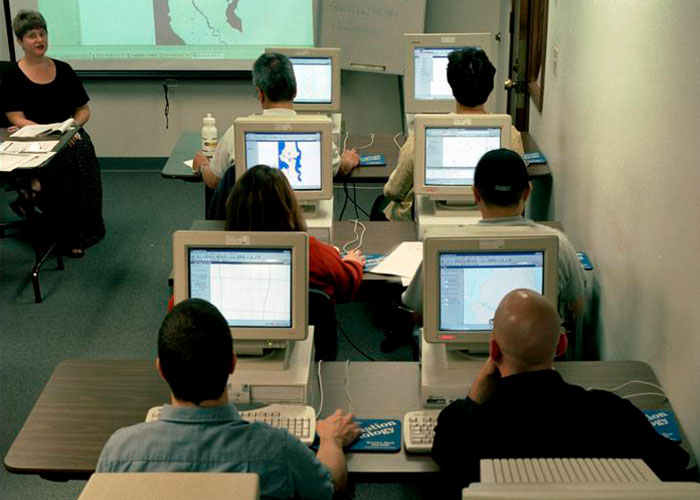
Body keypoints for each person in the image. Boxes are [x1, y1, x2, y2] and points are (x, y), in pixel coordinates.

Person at [97, 298, 361, 500]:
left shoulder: (119, 452)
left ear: (161, 369)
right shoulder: (278, 450)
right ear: (233, 363)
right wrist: (331, 439)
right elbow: (330, 487)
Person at [431, 289, 689, 494]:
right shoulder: (610, 412)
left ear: (494, 350)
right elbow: (676, 464)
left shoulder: (463, 429)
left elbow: (443, 455)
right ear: (562, 345)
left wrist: (474, 399)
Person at [402, 148, 585, 324]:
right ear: (527, 192)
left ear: (475, 193)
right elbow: (575, 304)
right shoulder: (559, 243)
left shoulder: (439, 242)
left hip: (455, 353)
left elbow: (417, 307)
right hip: (530, 353)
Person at [1, 10, 105, 258]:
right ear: (20, 42)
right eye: (32, 35)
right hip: (32, 135)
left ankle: (85, 227)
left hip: (67, 132)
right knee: (62, 162)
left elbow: (83, 110)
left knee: (81, 150)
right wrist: (46, 134)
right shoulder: (12, 75)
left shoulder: (64, 69)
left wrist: (72, 126)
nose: (39, 40)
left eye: (42, 33)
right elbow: (15, 118)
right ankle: (67, 233)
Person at [380, 47, 525, 221]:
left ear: (451, 84)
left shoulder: (421, 135)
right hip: (487, 220)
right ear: (491, 86)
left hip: (427, 222)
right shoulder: (511, 136)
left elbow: (394, 191)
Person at [194, 52, 359, 189]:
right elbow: (340, 167)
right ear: (295, 91)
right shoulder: (321, 134)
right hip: (301, 221)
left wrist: (202, 166)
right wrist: (349, 159)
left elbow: (214, 179)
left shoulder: (234, 134)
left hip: (252, 221)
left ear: (260, 94)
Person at [225, 164, 365, 303]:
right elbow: (347, 287)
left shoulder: (224, 259)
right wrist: (353, 263)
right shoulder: (312, 252)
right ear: (288, 207)